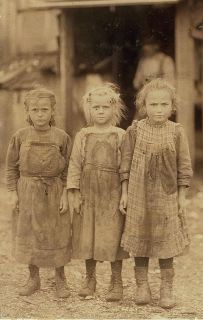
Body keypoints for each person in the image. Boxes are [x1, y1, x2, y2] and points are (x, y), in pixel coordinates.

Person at [119, 78, 193, 308]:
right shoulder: (135, 130)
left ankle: (166, 288)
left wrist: (181, 198)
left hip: (167, 195)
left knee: (166, 240)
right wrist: (124, 193)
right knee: (139, 237)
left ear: (172, 106)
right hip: (138, 193)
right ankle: (142, 286)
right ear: (143, 106)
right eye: (153, 105)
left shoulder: (177, 132)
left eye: (163, 105)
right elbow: (126, 163)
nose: (158, 110)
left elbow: (184, 167)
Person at [6, 88, 72, 298]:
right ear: (28, 112)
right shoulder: (20, 136)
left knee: (57, 232)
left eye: (45, 109)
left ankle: (60, 279)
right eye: (35, 109)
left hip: (54, 190)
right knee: (29, 233)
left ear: (53, 111)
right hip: (27, 191)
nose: (40, 114)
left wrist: (65, 194)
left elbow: (70, 168)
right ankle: (33, 278)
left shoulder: (62, 137)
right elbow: (10, 168)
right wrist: (13, 192)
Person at [67, 83, 129, 302]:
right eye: (96, 108)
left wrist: (124, 193)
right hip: (88, 192)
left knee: (113, 235)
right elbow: (75, 165)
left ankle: (116, 282)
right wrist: (73, 192)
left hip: (111, 192)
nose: (101, 111)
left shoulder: (120, 135)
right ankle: (90, 280)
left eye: (105, 107)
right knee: (88, 235)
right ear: (89, 109)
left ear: (114, 109)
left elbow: (125, 168)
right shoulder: (83, 135)